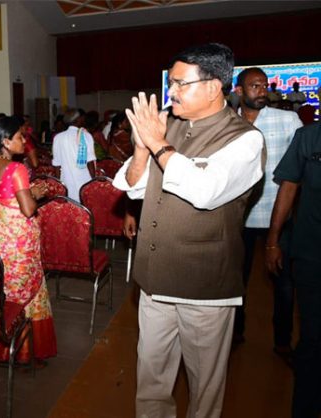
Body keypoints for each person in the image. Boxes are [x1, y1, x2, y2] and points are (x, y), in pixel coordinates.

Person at [112, 43, 265, 418]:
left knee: (204, 388)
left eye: (181, 84)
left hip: (204, 287)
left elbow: (205, 191)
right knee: (151, 380)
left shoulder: (244, 138)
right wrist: (143, 150)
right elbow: (130, 185)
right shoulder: (168, 126)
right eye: (171, 83)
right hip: (153, 281)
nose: (172, 92)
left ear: (214, 86)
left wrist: (158, 143)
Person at [233, 67, 303, 355]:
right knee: (237, 281)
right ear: (239, 91)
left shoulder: (288, 120)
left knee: (284, 284)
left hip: (280, 215)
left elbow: (299, 172)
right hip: (241, 218)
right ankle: (235, 334)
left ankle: (282, 341)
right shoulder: (228, 124)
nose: (262, 91)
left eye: (264, 85)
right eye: (254, 86)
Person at [0, 116, 57, 364]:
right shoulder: (18, 169)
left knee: (9, 291)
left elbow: (5, 199)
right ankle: (26, 351)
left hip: (2, 242)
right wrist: (35, 196)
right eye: (20, 137)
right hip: (21, 245)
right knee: (28, 293)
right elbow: (27, 210)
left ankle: (6, 349)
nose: (25, 141)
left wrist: (28, 192)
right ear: (5, 141)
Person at [265, 122, 321, 418]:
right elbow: (288, 187)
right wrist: (273, 240)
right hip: (311, 251)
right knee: (313, 335)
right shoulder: (308, 137)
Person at [52, 109, 96, 201]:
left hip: (66, 181)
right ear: (78, 119)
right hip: (84, 181)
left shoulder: (58, 138)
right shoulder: (86, 136)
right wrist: (92, 182)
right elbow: (90, 162)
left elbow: (57, 165)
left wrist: (59, 185)